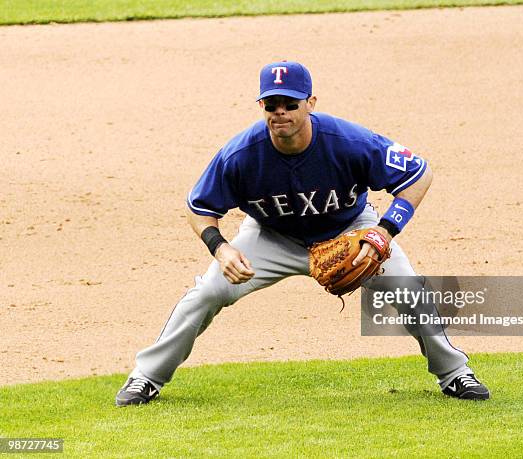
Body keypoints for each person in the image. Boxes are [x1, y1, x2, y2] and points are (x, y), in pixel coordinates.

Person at [115, 61, 490, 406]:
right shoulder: (240, 155)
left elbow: (418, 175)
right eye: (271, 104)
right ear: (261, 106)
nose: (281, 112)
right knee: (209, 291)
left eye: (290, 104)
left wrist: (384, 231)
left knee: (407, 289)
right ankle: (146, 377)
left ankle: (455, 373)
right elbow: (199, 209)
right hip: (271, 237)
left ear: (310, 103)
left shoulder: (349, 142)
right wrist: (221, 248)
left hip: (351, 230)